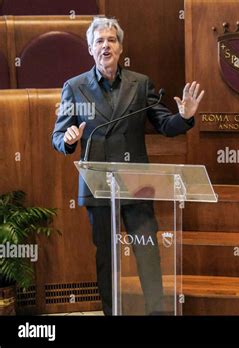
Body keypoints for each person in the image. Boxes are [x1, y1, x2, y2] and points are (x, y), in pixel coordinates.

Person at [51, 17, 204, 315]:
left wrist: (184, 117)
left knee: (148, 251)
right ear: (90, 49)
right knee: (107, 257)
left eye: (111, 40)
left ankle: (156, 312)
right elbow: (58, 135)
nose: (105, 45)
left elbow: (164, 124)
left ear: (121, 48)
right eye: (99, 41)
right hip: (98, 187)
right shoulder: (75, 87)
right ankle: (112, 313)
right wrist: (68, 139)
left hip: (136, 183)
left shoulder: (140, 83)